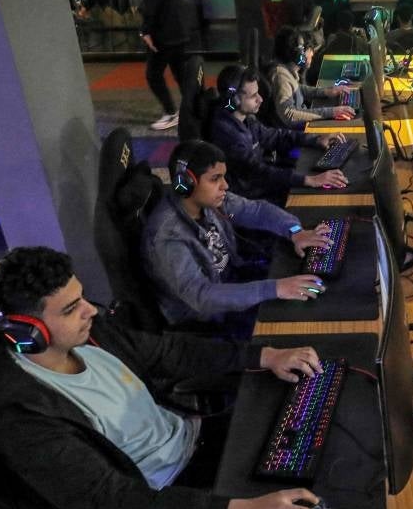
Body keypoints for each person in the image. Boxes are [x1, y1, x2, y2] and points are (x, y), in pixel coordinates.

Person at [0, 246, 329, 509]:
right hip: (166, 498)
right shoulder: (22, 416)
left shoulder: (88, 337)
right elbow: (111, 502)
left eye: (82, 297)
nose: (92, 311)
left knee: (317, 430)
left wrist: (264, 356)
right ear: (26, 332)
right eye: (72, 309)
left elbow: (168, 352)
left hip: (195, 441)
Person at [141, 140, 333, 335]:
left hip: (233, 281)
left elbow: (256, 210)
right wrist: (273, 289)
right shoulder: (166, 236)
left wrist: (295, 231)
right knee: (301, 324)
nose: (225, 185)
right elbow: (202, 297)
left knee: (317, 288)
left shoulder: (207, 200)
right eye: (215, 179)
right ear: (185, 184)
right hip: (206, 322)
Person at [209, 64, 348, 203]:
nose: (260, 99)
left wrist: (316, 140)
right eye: (253, 96)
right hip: (252, 197)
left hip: (264, 182)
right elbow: (259, 172)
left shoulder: (243, 118)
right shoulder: (228, 135)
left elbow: (275, 136)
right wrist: (309, 180)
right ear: (234, 101)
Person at [133, 0, 189, 131]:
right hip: (178, 31)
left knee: (153, 74)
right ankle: (191, 110)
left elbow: (151, 3)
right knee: (181, 74)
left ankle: (171, 113)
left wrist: (145, 30)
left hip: (163, 34)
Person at [268, 25, 355, 127]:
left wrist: (326, 92)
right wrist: (332, 112)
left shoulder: (286, 72)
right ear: (299, 55)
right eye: (308, 48)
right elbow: (289, 114)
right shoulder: (280, 77)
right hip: (298, 133)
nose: (312, 53)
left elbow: (297, 89)